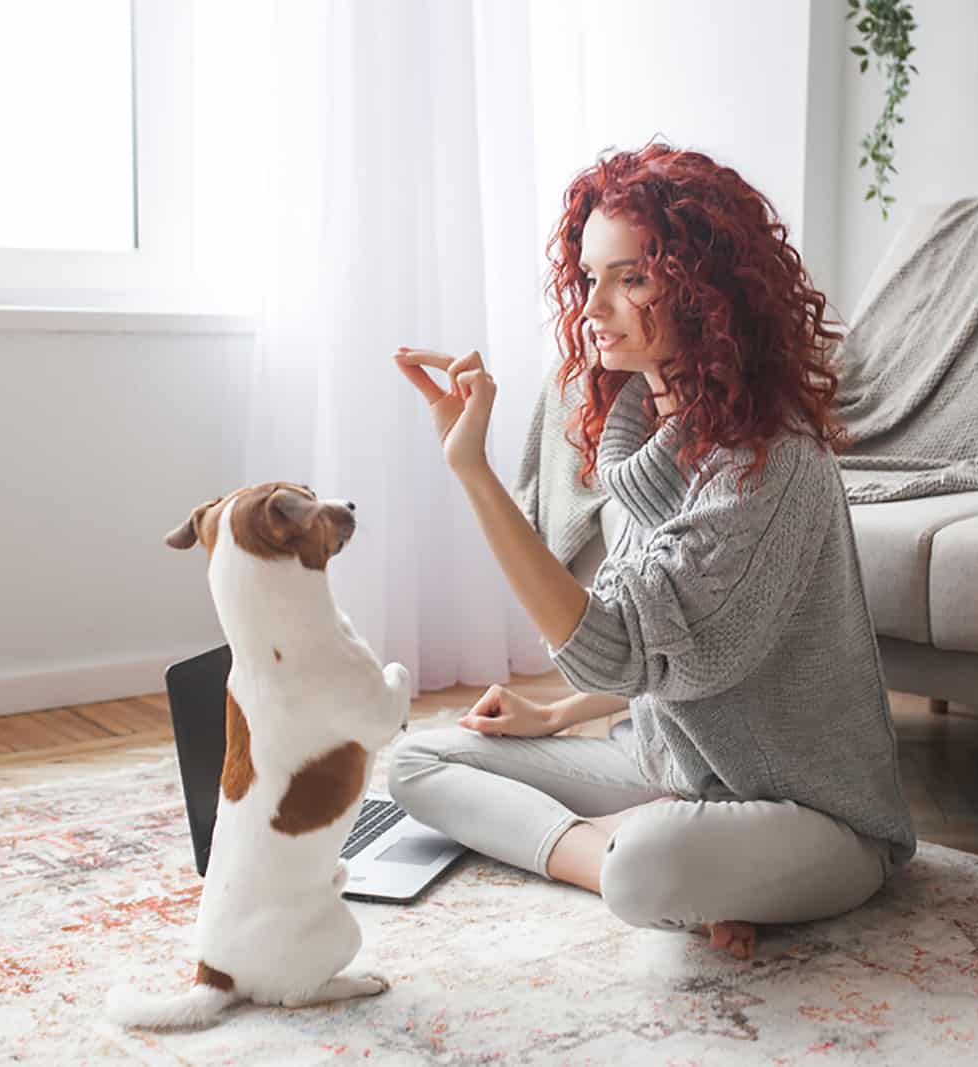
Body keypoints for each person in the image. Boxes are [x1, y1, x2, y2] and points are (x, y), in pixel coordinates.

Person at [390, 142, 915, 960]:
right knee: (416, 762)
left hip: (816, 818)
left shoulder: (768, 469)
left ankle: (637, 853)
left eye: (630, 277)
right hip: (672, 771)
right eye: (590, 277)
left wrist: (473, 470)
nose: (594, 305)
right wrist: (555, 714)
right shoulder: (639, 441)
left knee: (643, 866)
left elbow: (615, 649)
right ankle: (622, 851)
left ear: (708, 295)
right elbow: (667, 655)